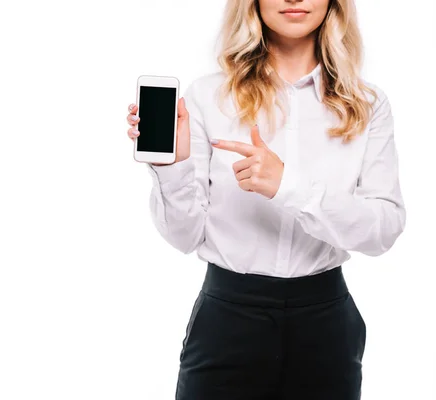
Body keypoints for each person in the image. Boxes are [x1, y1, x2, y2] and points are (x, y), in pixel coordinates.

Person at [125, 0, 406, 399]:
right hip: (226, 319)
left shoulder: (367, 104)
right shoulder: (208, 96)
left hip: (326, 322)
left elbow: (384, 230)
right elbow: (185, 238)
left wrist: (287, 185)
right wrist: (174, 166)